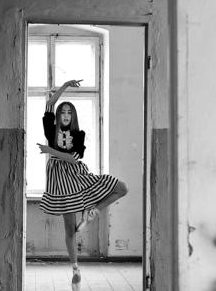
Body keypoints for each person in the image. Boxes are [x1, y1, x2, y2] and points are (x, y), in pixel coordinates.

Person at [37, 79, 128, 290]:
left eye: (69, 112)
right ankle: (76, 270)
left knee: (122, 187)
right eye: (63, 112)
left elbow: (73, 159)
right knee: (70, 229)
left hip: (76, 174)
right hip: (59, 179)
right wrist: (65, 85)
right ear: (58, 116)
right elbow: (49, 104)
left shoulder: (79, 135)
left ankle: (93, 210)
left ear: (73, 116)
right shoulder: (51, 130)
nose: (65, 115)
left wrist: (50, 151)